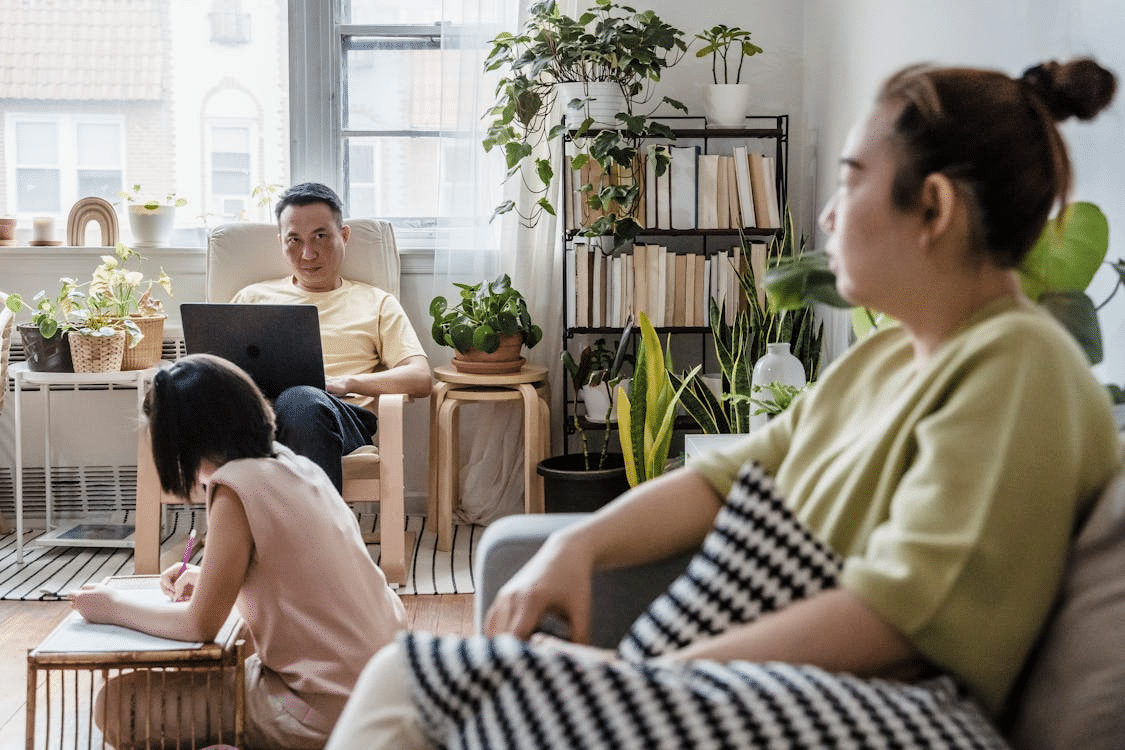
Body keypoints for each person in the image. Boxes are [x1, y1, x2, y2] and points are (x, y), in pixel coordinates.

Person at [325, 57, 1120, 749]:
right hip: (782, 687)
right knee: (414, 679)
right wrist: (580, 547)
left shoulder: (1017, 364)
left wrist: (657, 678)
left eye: (850, 180)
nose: (826, 216)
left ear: (934, 209)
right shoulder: (887, 358)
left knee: (416, 680)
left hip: (894, 712)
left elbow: (905, 617)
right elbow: (727, 476)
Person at [73, 354, 406, 749]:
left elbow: (200, 626)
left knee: (116, 703)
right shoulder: (296, 466)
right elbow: (290, 577)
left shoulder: (234, 487)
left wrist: (112, 606)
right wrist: (210, 575)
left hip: (322, 713)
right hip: (386, 692)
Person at [231, 182, 432, 491]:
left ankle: (301, 537)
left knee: (301, 400)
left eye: (320, 236)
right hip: (260, 420)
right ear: (280, 242)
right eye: (294, 240)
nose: (308, 253)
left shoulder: (376, 302)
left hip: (339, 418)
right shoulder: (252, 298)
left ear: (344, 236)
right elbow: (216, 368)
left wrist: (347, 383)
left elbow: (420, 378)